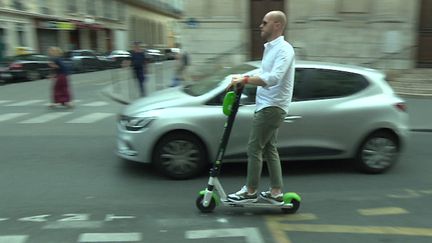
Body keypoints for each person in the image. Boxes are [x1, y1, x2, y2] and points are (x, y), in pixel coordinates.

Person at [226, 10, 295, 205]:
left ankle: (250, 191)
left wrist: (245, 80)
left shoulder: (284, 49)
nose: (260, 25)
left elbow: (273, 78)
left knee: (254, 147)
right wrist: (242, 77)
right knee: (269, 148)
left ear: (277, 26)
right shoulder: (271, 48)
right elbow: (264, 72)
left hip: (272, 106)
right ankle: (276, 192)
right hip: (266, 104)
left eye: (265, 23)